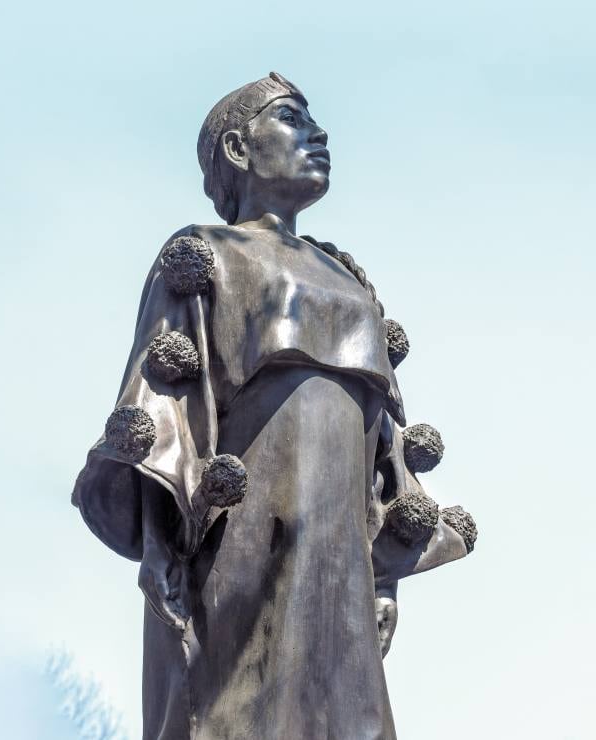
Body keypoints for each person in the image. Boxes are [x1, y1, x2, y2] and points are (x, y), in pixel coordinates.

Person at [71, 72, 477, 740]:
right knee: (235, 707)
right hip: (243, 533)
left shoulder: (349, 277)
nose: (318, 134)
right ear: (238, 148)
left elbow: (381, 446)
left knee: (348, 716)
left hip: (338, 553)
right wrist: (172, 536)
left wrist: (383, 580)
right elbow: (164, 409)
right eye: (292, 119)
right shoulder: (207, 254)